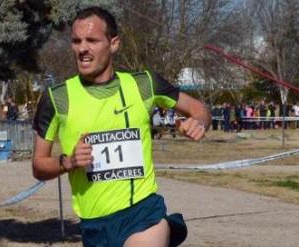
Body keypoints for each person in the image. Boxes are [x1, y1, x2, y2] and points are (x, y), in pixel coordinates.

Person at [31, 6, 211, 247]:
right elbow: (38, 165)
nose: (82, 48)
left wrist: (198, 123)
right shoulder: (57, 98)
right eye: (76, 41)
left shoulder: (144, 84)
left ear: (113, 43)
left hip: (142, 213)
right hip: (94, 224)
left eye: (92, 40)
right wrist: (68, 162)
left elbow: (200, 109)